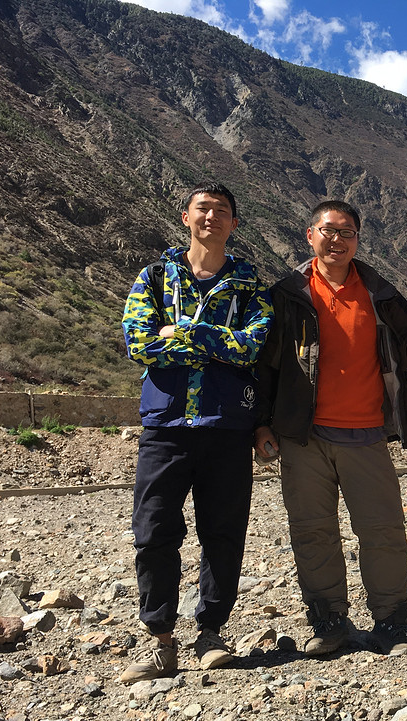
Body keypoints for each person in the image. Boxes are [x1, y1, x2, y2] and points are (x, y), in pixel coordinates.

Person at [254, 200, 407, 657]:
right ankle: (328, 621)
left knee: (383, 530)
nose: (337, 240)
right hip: (302, 434)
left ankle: (391, 623)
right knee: (313, 530)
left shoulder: (377, 291)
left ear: (357, 240)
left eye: (347, 232)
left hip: (367, 432)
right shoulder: (288, 293)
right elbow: (265, 366)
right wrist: (260, 426)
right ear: (310, 235)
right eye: (328, 231)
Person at [120, 182, 273, 684]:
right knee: (155, 530)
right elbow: (140, 343)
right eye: (203, 209)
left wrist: (182, 333)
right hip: (165, 425)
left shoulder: (251, 285)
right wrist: (215, 342)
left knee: (223, 533)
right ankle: (162, 638)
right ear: (186, 216)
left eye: (222, 211)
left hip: (227, 427)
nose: (212, 217)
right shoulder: (153, 277)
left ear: (233, 223)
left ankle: (211, 632)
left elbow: (251, 347)